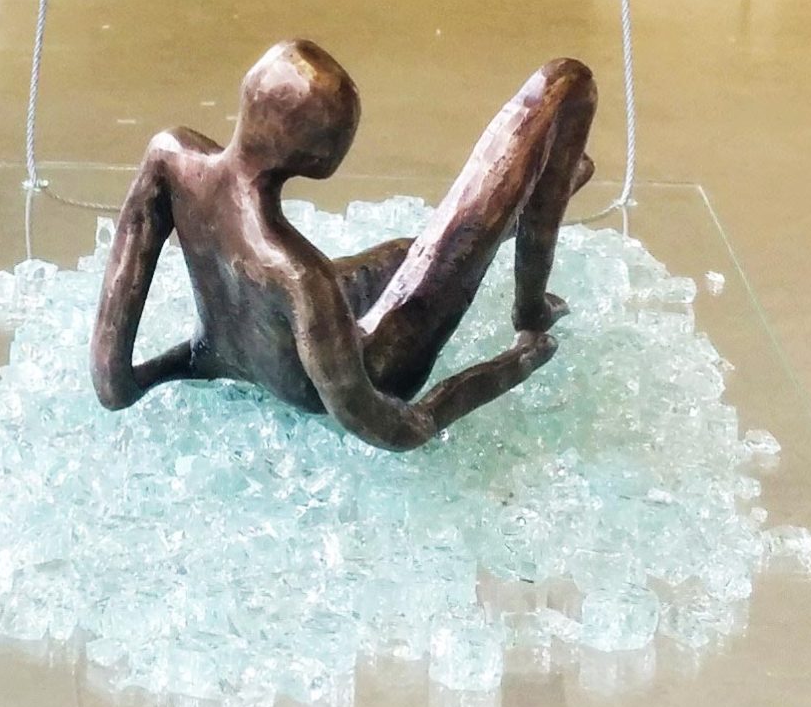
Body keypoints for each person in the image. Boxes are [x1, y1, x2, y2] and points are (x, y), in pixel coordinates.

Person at [90, 38, 597, 452]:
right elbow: (397, 428)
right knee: (565, 82)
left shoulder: (169, 156)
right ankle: (530, 302)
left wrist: (175, 365)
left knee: (409, 253)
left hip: (223, 349)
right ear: (319, 159)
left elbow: (112, 384)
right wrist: (516, 360)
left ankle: (534, 204)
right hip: (365, 373)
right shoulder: (298, 276)